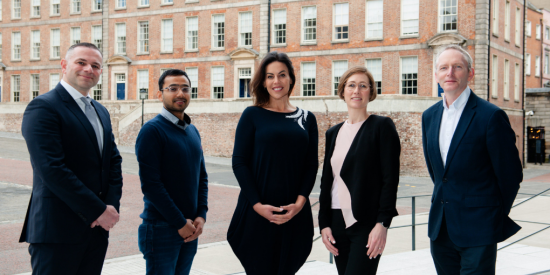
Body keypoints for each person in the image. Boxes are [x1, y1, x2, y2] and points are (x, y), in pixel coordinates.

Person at [19, 43, 123, 275]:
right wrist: (97, 210)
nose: (89, 69)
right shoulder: (43, 107)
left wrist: (111, 207)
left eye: (95, 65)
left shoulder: (101, 111)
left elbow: (113, 162)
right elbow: (52, 169)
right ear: (64, 65)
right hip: (57, 230)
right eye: (81, 62)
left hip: (96, 231)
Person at [422, 45, 523, 274]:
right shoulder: (429, 116)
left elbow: (510, 175)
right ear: (436, 74)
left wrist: (491, 215)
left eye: (457, 67)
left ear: (470, 73)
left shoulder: (490, 115)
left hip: (479, 228)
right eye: (444, 68)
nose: (450, 73)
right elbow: (438, 174)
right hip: (441, 229)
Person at [227, 51, 319, 275]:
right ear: (263, 82)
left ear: (291, 79)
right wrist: (257, 205)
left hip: (293, 214)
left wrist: (299, 204)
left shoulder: (307, 118)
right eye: (270, 76)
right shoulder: (252, 115)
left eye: (281, 75)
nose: (276, 81)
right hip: (258, 212)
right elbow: (239, 162)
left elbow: (311, 165)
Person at [318, 66, 401, 275]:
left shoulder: (382, 126)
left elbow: (390, 179)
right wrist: (324, 223)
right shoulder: (333, 133)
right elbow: (328, 181)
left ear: (370, 92)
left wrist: (382, 223)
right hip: (336, 223)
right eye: (351, 85)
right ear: (343, 91)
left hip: (366, 224)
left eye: (363, 86)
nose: (357, 90)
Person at [135, 69, 208, 275]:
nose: (180, 94)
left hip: (190, 228)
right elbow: (151, 185)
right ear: (160, 94)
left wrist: (201, 214)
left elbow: (201, 176)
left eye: (185, 88)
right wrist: (179, 222)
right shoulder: (152, 131)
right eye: (172, 88)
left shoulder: (192, 131)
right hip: (161, 229)